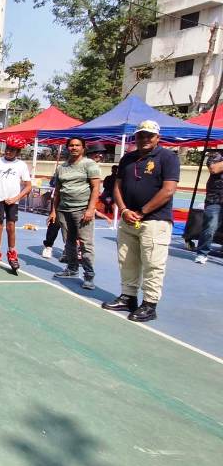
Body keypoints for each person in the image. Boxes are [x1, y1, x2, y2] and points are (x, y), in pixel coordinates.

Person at [102, 121, 180, 322]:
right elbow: (117, 186)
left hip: (155, 220)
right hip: (128, 219)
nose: (145, 139)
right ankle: (128, 297)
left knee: (153, 263)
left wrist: (142, 212)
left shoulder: (168, 157)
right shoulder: (127, 158)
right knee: (126, 260)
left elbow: (168, 190)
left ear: (157, 137)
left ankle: (150, 304)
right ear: (135, 137)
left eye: (149, 135)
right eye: (141, 135)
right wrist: (124, 210)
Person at [48, 137, 102, 290]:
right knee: (69, 242)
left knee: (85, 243)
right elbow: (57, 191)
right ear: (67, 148)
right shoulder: (61, 168)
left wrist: (90, 209)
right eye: (71, 145)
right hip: (64, 210)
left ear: (83, 148)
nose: (74, 148)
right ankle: (72, 269)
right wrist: (53, 211)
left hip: (82, 210)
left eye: (77, 145)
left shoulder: (89, 164)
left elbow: (96, 188)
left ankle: (89, 275)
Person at [0, 134, 32, 274]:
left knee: (11, 227)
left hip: (13, 201)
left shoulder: (21, 165)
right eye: (7, 148)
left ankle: (12, 253)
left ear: (18, 152)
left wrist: (16, 198)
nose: (8, 151)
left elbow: (28, 186)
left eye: (12, 149)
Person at [194, 149, 223, 265]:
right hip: (215, 199)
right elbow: (213, 168)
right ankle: (202, 253)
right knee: (210, 226)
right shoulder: (217, 155)